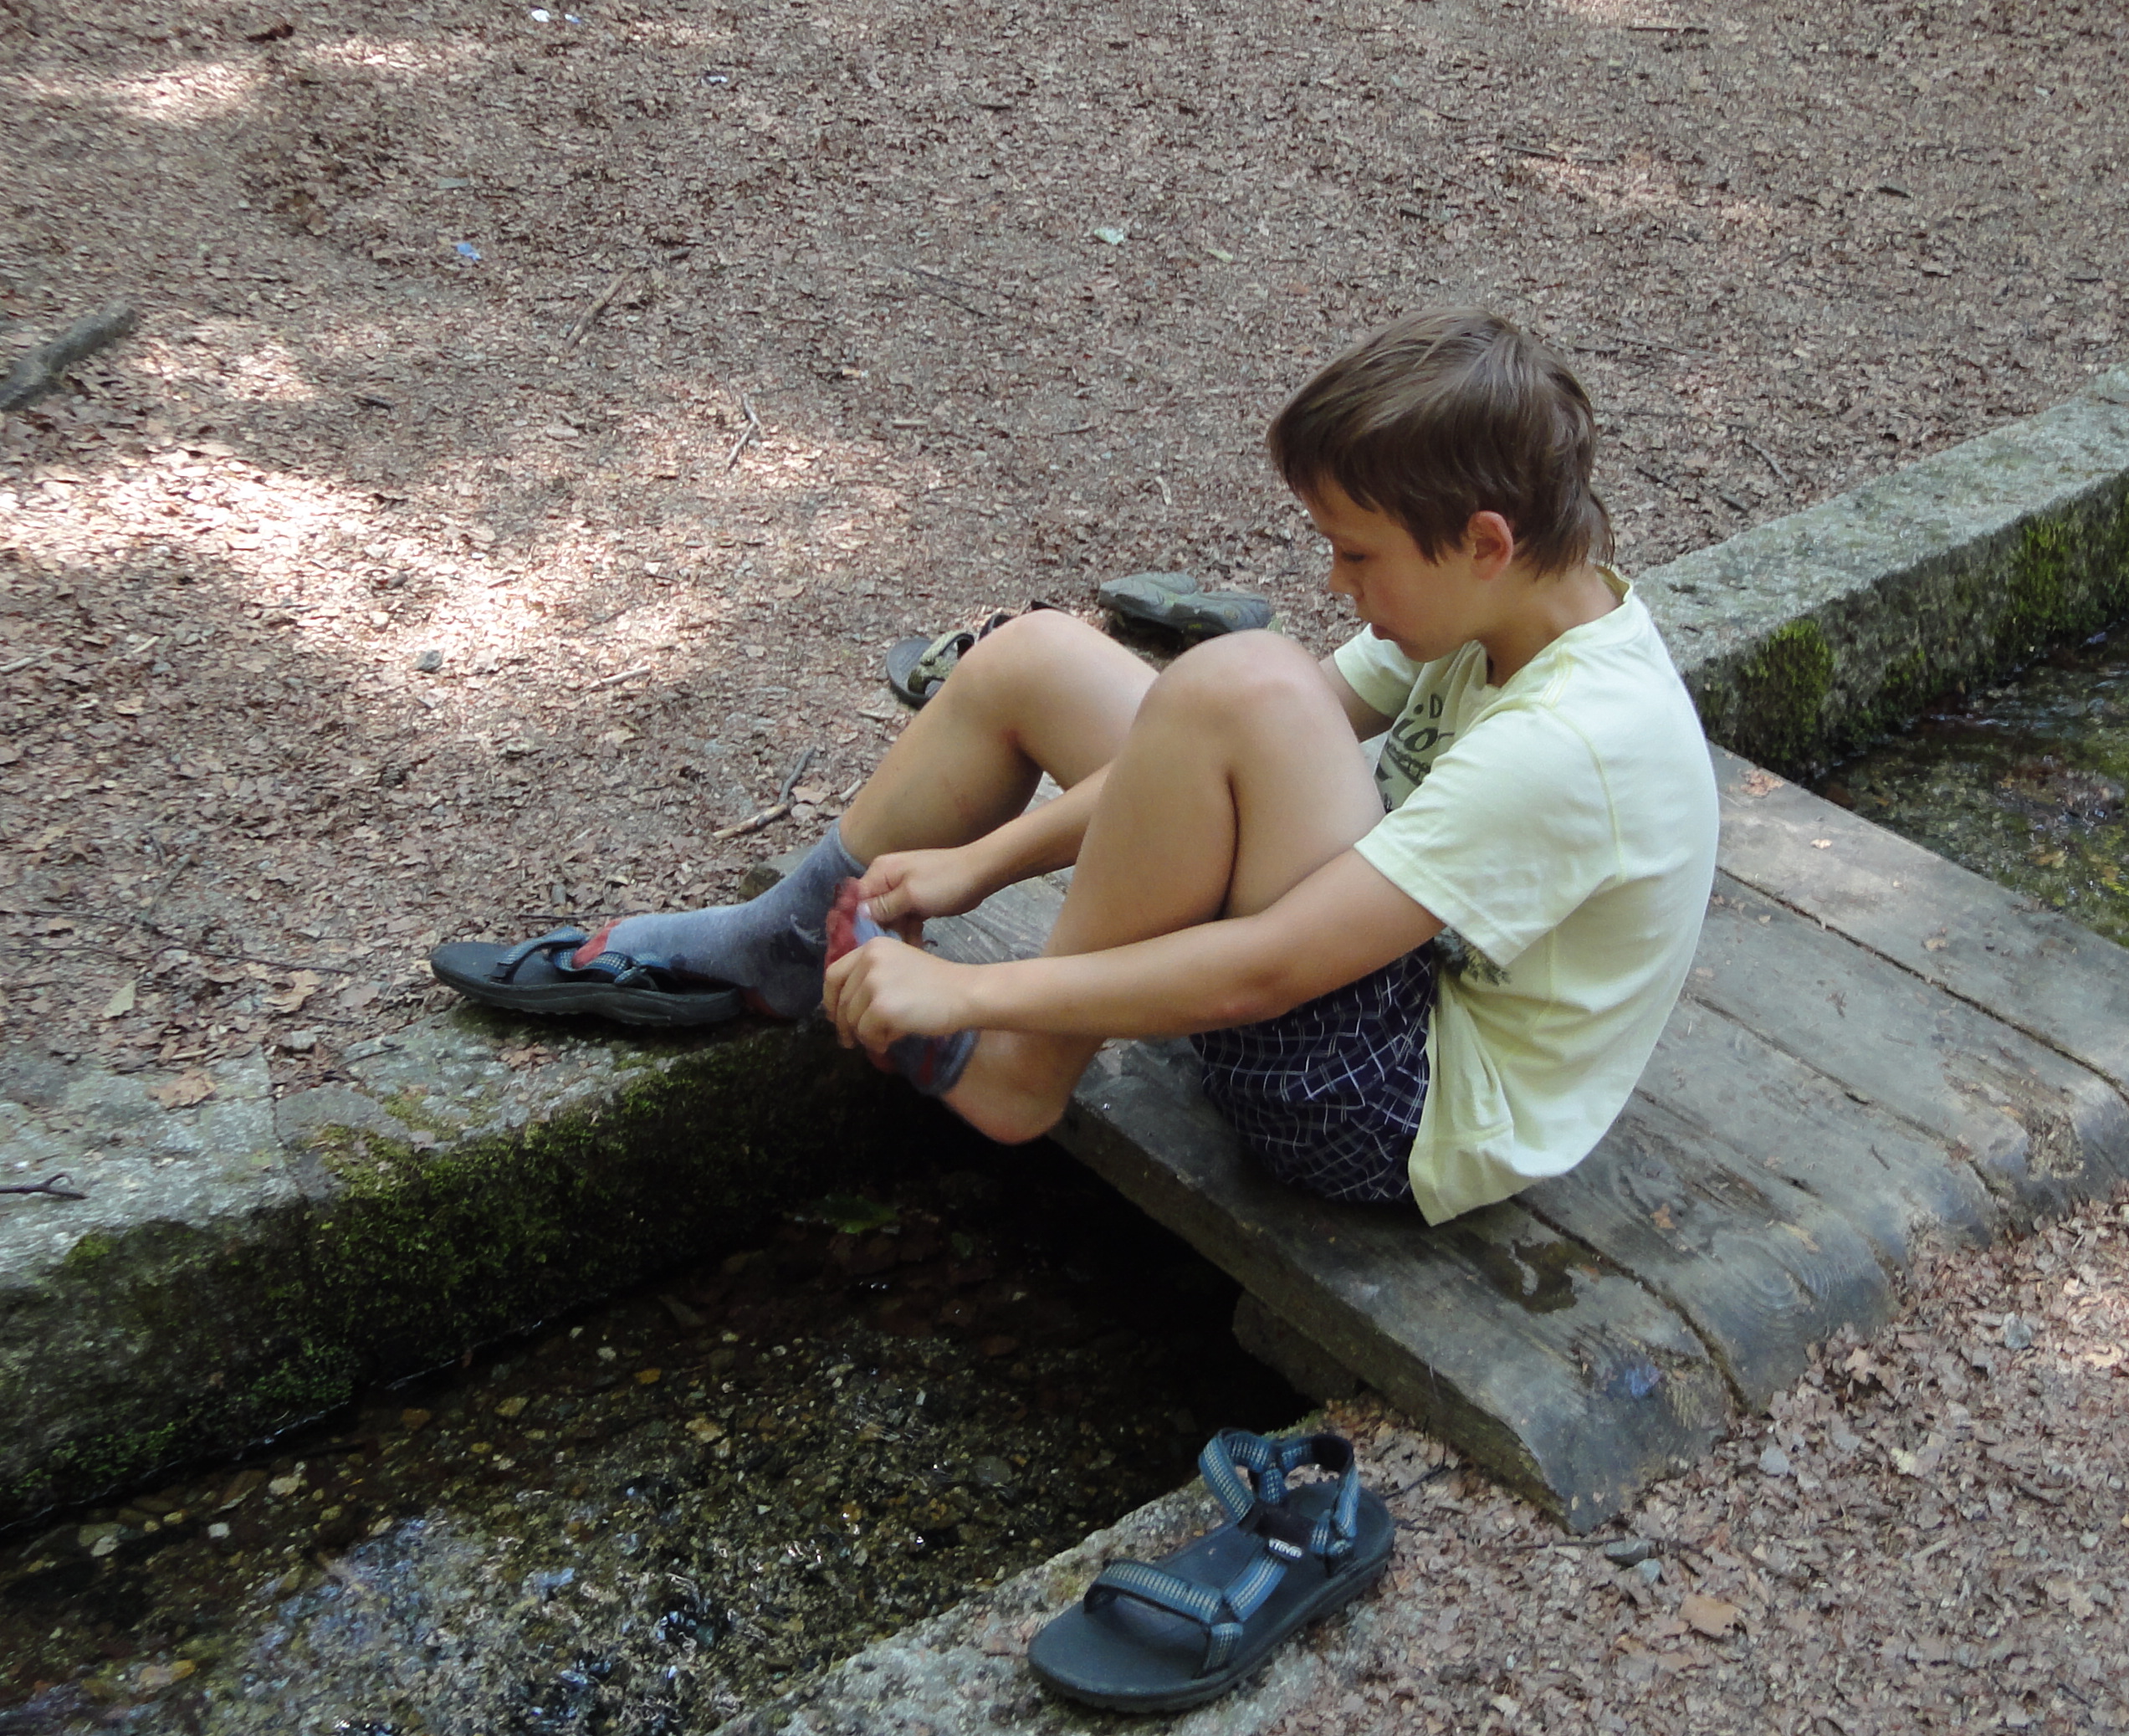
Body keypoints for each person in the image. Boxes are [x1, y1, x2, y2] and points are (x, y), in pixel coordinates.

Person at [428, 310, 1719, 1225]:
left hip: (1387, 1111)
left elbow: (1271, 967)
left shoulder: (1573, 744)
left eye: (1357, 553)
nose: (1337, 583)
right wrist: (981, 863)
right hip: (1363, 982)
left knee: (1246, 677)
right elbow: (1210, 746)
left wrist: (978, 993)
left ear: (1485, 542)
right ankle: (784, 936)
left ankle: (1016, 1075)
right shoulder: (1501, 607)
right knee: (1041, 658)